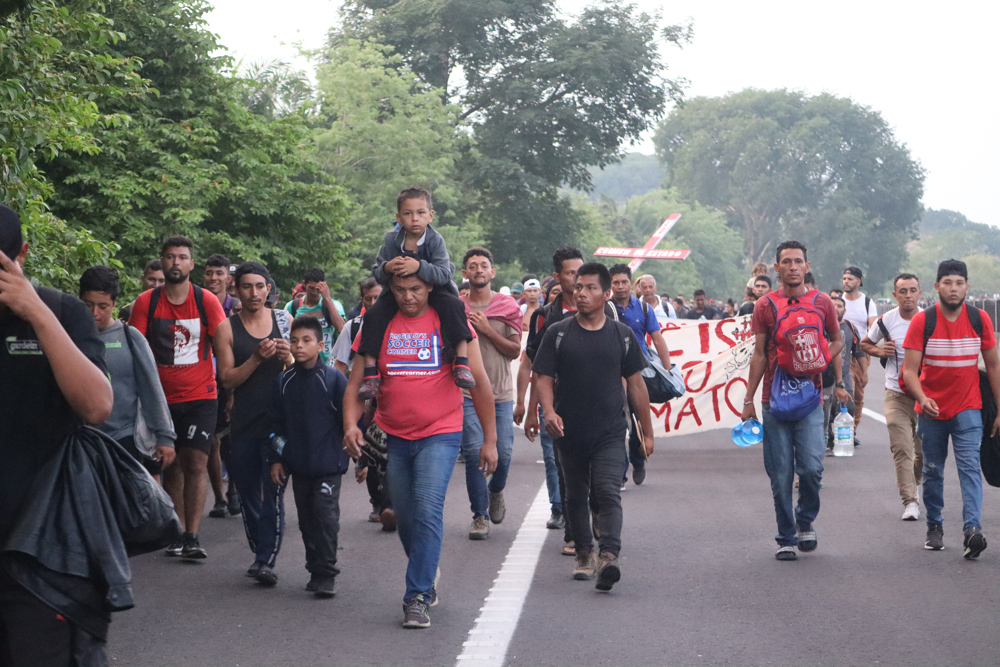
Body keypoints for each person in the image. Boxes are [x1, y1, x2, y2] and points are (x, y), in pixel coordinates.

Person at [343, 272, 498, 629]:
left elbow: (480, 384)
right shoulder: (379, 324)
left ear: (429, 286)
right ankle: (426, 569)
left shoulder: (449, 322)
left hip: (440, 432)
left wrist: (489, 440)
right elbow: (354, 385)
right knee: (406, 516)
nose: (408, 297)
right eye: (400, 290)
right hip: (394, 435)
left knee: (428, 509)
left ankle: (417, 596)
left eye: (415, 289)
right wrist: (351, 425)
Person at [0, 204, 115, 665]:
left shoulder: (63, 312)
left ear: (20, 256)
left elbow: (97, 406)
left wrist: (36, 312)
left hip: (42, 549)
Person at [532, 263, 654, 591]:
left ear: (606, 294)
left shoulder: (622, 336)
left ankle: (608, 556)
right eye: (579, 287)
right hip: (568, 431)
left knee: (607, 490)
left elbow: (637, 385)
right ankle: (584, 554)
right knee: (575, 494)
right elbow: (542, 376)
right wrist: (549, 412)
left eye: (590, 288)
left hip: (611, 431)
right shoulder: (558, 333)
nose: (581, 293)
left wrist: (647, 429)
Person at [742, 241, 847, 561]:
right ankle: (786, 536)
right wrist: (749, 400)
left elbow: (837, 339)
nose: (792, 267)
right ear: (776, 268)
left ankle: (805, 520)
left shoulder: (822, 302)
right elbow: (759, 354)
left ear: (807, 265)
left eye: (797, 261)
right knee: (781, 474)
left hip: (811, 400)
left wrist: (818, 360)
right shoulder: (765, 306)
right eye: (785, 262)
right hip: (773, 401)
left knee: (813, 469)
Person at [129, 235, 227, 559]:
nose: (175, 263)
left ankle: (193, 535)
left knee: (196, 461)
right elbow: (135, 350)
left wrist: (232, 386)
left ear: (191, 264)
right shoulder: (146, 302)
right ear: (163, 260)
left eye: (182, 257)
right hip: (160, 399)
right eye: (170, 257)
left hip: (201, 395)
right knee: (171, 465)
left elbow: (224, 344)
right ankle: (177, 532)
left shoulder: (206, 301)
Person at [519, 247, 616, 553]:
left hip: (601, 411)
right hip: (559, 409)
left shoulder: (607, 312)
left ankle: (598, 512)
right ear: (558, 278)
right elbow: (537, 367)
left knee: (601, 477)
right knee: (563, 470)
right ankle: (575, 534)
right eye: (572, 274)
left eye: (582, 274)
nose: (579, 281)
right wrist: (533, 410)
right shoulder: (544, 317)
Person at [902, 259, 1000, 557]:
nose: (953, 288)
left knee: (969, 468)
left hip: (968, 408)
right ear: (937, 287)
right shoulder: (923, 321)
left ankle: (973, 530)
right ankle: (935, 526)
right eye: (947, 283)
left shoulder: (979, 318)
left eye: (959, 283)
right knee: (933, 471)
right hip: (931, 411)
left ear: (967, 287)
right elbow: (909, 371)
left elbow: (994, 364)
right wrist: (921, 398)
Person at [356, 186, 474, 399]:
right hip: (398, 292)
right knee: (372, 315)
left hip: (434, 289)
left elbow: (444, 273)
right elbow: (377, 272)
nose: (415, 219)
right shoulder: (391, 240)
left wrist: (419, 267)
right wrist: (388, 267)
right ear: (398, 217)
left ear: (430, 215)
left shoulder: (435, 240)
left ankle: (462, 362)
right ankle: (371, 371)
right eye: (408, 213)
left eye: (421, 213)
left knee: (456, 307)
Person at [215, 262, 292, 585]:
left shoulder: (284, 321)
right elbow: (227, 379)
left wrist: (288, 357)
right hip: (244, 423)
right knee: (248, 494)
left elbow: (301, 368)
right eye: (247, 287)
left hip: (279, 424)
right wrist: (257, 359)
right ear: (236, 289)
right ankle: (261, 548)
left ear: (268, 289)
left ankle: (265, 559)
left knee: (272, 492)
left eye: (260, 286)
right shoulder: (226, 328)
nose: (254, 293)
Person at [269, 316, 349, 598]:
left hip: (329, 464)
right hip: (299, 465)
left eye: (306, 341)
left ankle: (327, 573)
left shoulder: (333, 379)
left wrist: (358, 455)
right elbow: (276, 425)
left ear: (320, 344)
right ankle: (314, 568)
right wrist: (277, 459)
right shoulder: (284, 381)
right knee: (306, 520)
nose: (299, 346)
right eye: (294, 340)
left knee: (325, 516)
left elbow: (348, 419)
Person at [79, 266, 176, 478]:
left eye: (103, 306)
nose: (95, 313)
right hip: (82, 438)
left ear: (114, 304)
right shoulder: (68, 336)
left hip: (124, 437)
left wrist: (164, 436)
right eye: (88, 305)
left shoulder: (130, 337)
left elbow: (151, 388)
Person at [460, 247, 522, 539]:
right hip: (467, 393)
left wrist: (486, 329)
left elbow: (514, 350)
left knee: (504, 455)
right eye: (473, 266)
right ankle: (479, 515)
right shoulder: (457, 308)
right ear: (465, 274)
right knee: (475, 453)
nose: (479, 270)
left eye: (484, 265)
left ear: (492, 272)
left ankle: (496, 490)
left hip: (500, 393)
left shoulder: (507, 306)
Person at [331, 278, 393, 529]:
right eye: (368, 299)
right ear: (362, 300)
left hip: (388, 400)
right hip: (362, 402)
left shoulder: (397, 323)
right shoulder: (353, 327)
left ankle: (390, 504)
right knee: (369, 452)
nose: (373, 303)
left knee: (388, 454)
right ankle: (378, 504)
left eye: (378, 297)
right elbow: (340, 367)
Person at [860, 273, 924, 520]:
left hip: (926, 395)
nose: (908, 295)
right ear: (895, 294)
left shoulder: (930, 320)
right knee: (901, 448)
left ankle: (914, 481)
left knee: (924, 450)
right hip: (896, 394)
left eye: (912, 290)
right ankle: (910, 501)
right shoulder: (886, 321)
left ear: (920, 293)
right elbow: (865, 344)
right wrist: (879, 349)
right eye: (903, 291)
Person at [609, 263, 671, 485]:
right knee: (616, 423)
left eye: (624, 281)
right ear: (610, 285)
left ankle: (638, 460)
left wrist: (668, 367)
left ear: (630, 283)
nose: (620, 286)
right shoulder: (604, 309)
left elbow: (657, 337)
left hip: (638, 373)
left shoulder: (644, 309)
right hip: (611, 374)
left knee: (637, 423)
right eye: (615, 282)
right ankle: (619, 473)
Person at [204, 253, 240, 520]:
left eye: (219, 273)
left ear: (228, 277)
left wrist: (233, 392)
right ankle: (219, 497)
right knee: (213, 441)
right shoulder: (199, 303)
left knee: (235, 439)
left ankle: (235, 490)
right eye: (210, 273)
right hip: (207, 382)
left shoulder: (237, 307)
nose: (214, 278)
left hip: (236, 379)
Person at [822, 295, 862, 454]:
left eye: (839, 306)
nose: (836, 308)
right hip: (822, 378)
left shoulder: (850, 327)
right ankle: (826, 441)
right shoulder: (819, 325)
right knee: (825, 414)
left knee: (847, 406)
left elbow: (857, 351)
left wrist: (862, 373)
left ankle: (843, 437)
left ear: (844, 310)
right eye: (833, 305)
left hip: (843, 375)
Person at [285, 267, 346, 364]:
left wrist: (327, 298)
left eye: (317, 289)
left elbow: (342, 329)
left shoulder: (334, 305)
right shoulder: (292, 306)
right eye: (311, 288)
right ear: (304, 284)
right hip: (300, 363)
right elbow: (285, 334)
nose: (314, 292)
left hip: (327, 364)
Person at [842, 267, 877, 436]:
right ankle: (840, 429)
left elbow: (874, 327)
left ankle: (852, 429)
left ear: (859, 281)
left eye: (850, 279)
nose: (846, 282)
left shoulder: (867, 303)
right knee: (846, 389)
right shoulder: (838, 301)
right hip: (842, 352)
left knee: (858, 393)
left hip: (861, 353)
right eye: (844, 278)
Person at [117, 259, 165, 323]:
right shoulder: (128, 311)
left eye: (161, 281)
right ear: (142, 279)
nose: (156, 285)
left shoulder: (175, 309)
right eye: (151, 279)